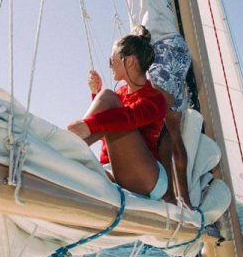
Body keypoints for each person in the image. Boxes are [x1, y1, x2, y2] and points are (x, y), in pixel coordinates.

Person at [83, 0, 193, 208]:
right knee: (135, 105)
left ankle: (180, 197)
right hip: (153, 53)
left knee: (170, 126)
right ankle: (156, 183)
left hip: (169, 49)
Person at [67, 27, 168, 200]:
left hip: (148, 178)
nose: (110, 64)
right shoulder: (119, 95)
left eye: (111, 59)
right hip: (115, 170)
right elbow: (107, 126)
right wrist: (95, 93)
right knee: (75, 176)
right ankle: (68, 151)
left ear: (128, 62)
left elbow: (127, 118)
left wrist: (88, 125)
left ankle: (66, 148)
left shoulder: (155, 99)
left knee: (108, 99)